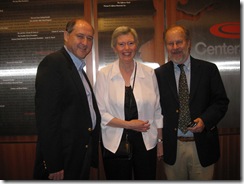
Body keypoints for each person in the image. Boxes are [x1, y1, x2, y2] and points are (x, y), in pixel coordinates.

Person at [155, 25, 229, 180]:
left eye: (179, 42)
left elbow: (221, 102)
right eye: (170, 43)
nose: (175, 47)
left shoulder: (208, 70)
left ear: (188, 43)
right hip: (173, 147)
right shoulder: (159, 74)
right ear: (166, 46)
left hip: (202, 146)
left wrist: (205, 120)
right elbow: (155, 109)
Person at [33, 18, 101, 180]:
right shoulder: (54, 64)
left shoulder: (77, 69)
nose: (85, 42)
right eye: (80, 36)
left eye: (89, 38)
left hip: (79, 154)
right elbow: (47, 119)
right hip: (63, 160)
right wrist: (54, 164)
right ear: (66, 35)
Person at [94, 26, 163, 180]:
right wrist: (130, 125)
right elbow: (101, 113)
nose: (126, 48)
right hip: (114, 142)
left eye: (130, 43)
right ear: (114, 47)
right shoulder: (104, 74)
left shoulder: (149, 72)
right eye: (121, 44)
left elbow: (157, 110)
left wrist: (160, 141)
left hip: (146, 141)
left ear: (136, 45)